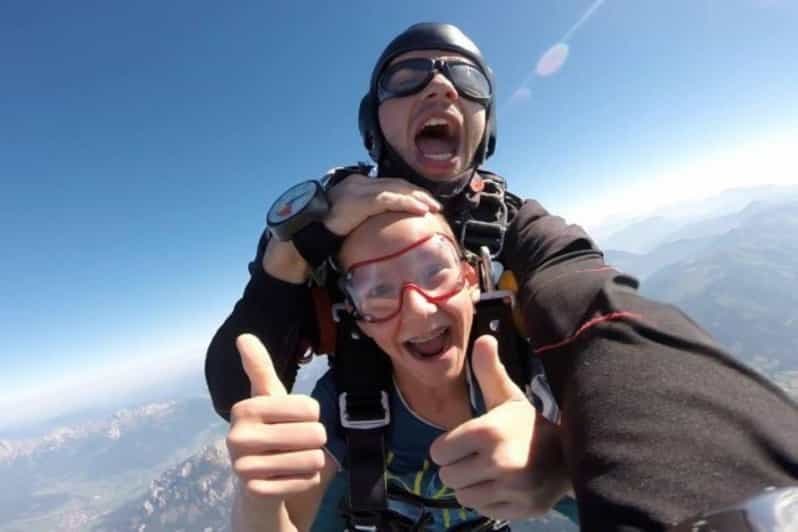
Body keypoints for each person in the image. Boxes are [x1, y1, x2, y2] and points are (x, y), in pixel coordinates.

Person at [207, 22, 798, 531]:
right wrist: (296, 251)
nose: (441, 86)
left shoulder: (518, 227)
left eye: (467, 80)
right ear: (374, 122)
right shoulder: (319, 230)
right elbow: (240, 390)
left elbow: (594, 306)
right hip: (366, 455)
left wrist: (722, 498)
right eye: (405, 77)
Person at [227, 211, 577, 531]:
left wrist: (563, 467)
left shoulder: (537, 381)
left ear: (471, 279)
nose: (418, 310)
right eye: (378, 290)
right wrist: (258, 496)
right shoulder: (347, 399)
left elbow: (612, 485)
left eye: (434, 271)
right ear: (358, 318)